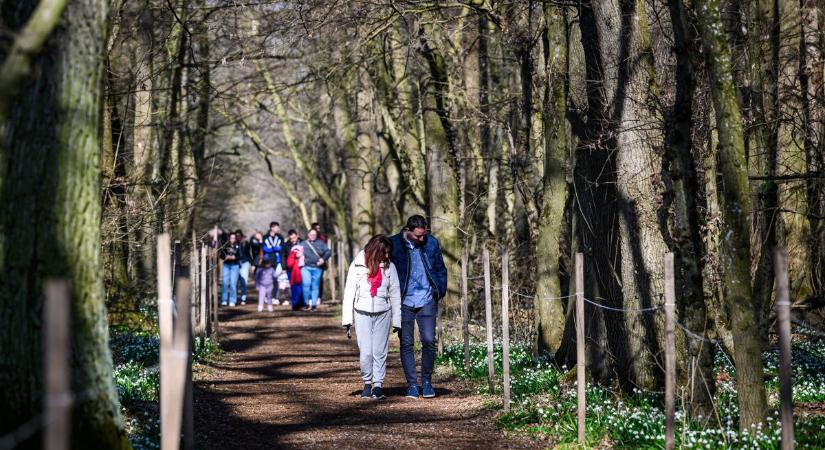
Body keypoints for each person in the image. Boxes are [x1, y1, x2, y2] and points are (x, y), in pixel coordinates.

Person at [389, 215, 448, 399]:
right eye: (418, 236)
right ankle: (412, 385)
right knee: (406, 342)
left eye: (424, 235)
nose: (422, 239)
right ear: (408, 231)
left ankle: (427, 382)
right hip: (403, 300)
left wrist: (439, 290)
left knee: (429, 340)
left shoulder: (431, 243)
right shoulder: (393, 244)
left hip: (427, 299)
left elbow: (440, 268)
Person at [341, 235, 402, 400]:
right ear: (376, 251)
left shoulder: (390, 268)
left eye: (388, 253)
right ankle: (367, 382)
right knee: (366, 352)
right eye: (384, 253)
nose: (387, 256)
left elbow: (395, 294)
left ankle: (378, 385)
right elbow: (349, 292)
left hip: (383, 312)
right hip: (361, 312)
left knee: (379, 351)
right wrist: (347, 320)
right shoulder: (358, 265)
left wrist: (397, 320)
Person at [301, 229, 332, 311]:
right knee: (306, 284)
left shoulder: (321, 243)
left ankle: (314, 305)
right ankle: (306, 303)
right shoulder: (303, 244)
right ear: (308, 235)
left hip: (317, 268)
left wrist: (323, 259)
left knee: (315, 286)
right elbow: (294, 251)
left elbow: (328, 252)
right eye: (311, 234)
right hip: (305, 267)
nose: (312, 236)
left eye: (314, 235)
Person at [220, 232, 243, 307]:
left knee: (233, 283)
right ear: (229, 238)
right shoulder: (225, 246)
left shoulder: (238, 245)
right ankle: (224, 300)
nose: (232, 239)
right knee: (225, 283)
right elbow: (221, 255)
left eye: (234, 238)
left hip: (235, 266)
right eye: (231, 238)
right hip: (226, 265)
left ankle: (233, 300)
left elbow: (241, 255)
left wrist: (235, 257)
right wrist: (225, 257)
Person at [286, 243, 305, 310]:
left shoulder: (293, 254)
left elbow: (289, 264)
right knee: (298, 289)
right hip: (297, 273)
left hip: (295, 274)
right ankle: (299, 304)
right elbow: (289, 264)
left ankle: (297, 304)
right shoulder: (294, 254)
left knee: (296, 289)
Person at [236, 230, 251, 305]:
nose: (238, 237)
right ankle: (234, 298)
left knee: (244, 281)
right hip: (235, 263)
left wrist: (252, 263)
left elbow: (248, 254)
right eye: (237, 236)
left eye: (239, 235)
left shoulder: (246, 243)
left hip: (245, 263)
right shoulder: (233, 244)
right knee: (235, 281)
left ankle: (243, 298)